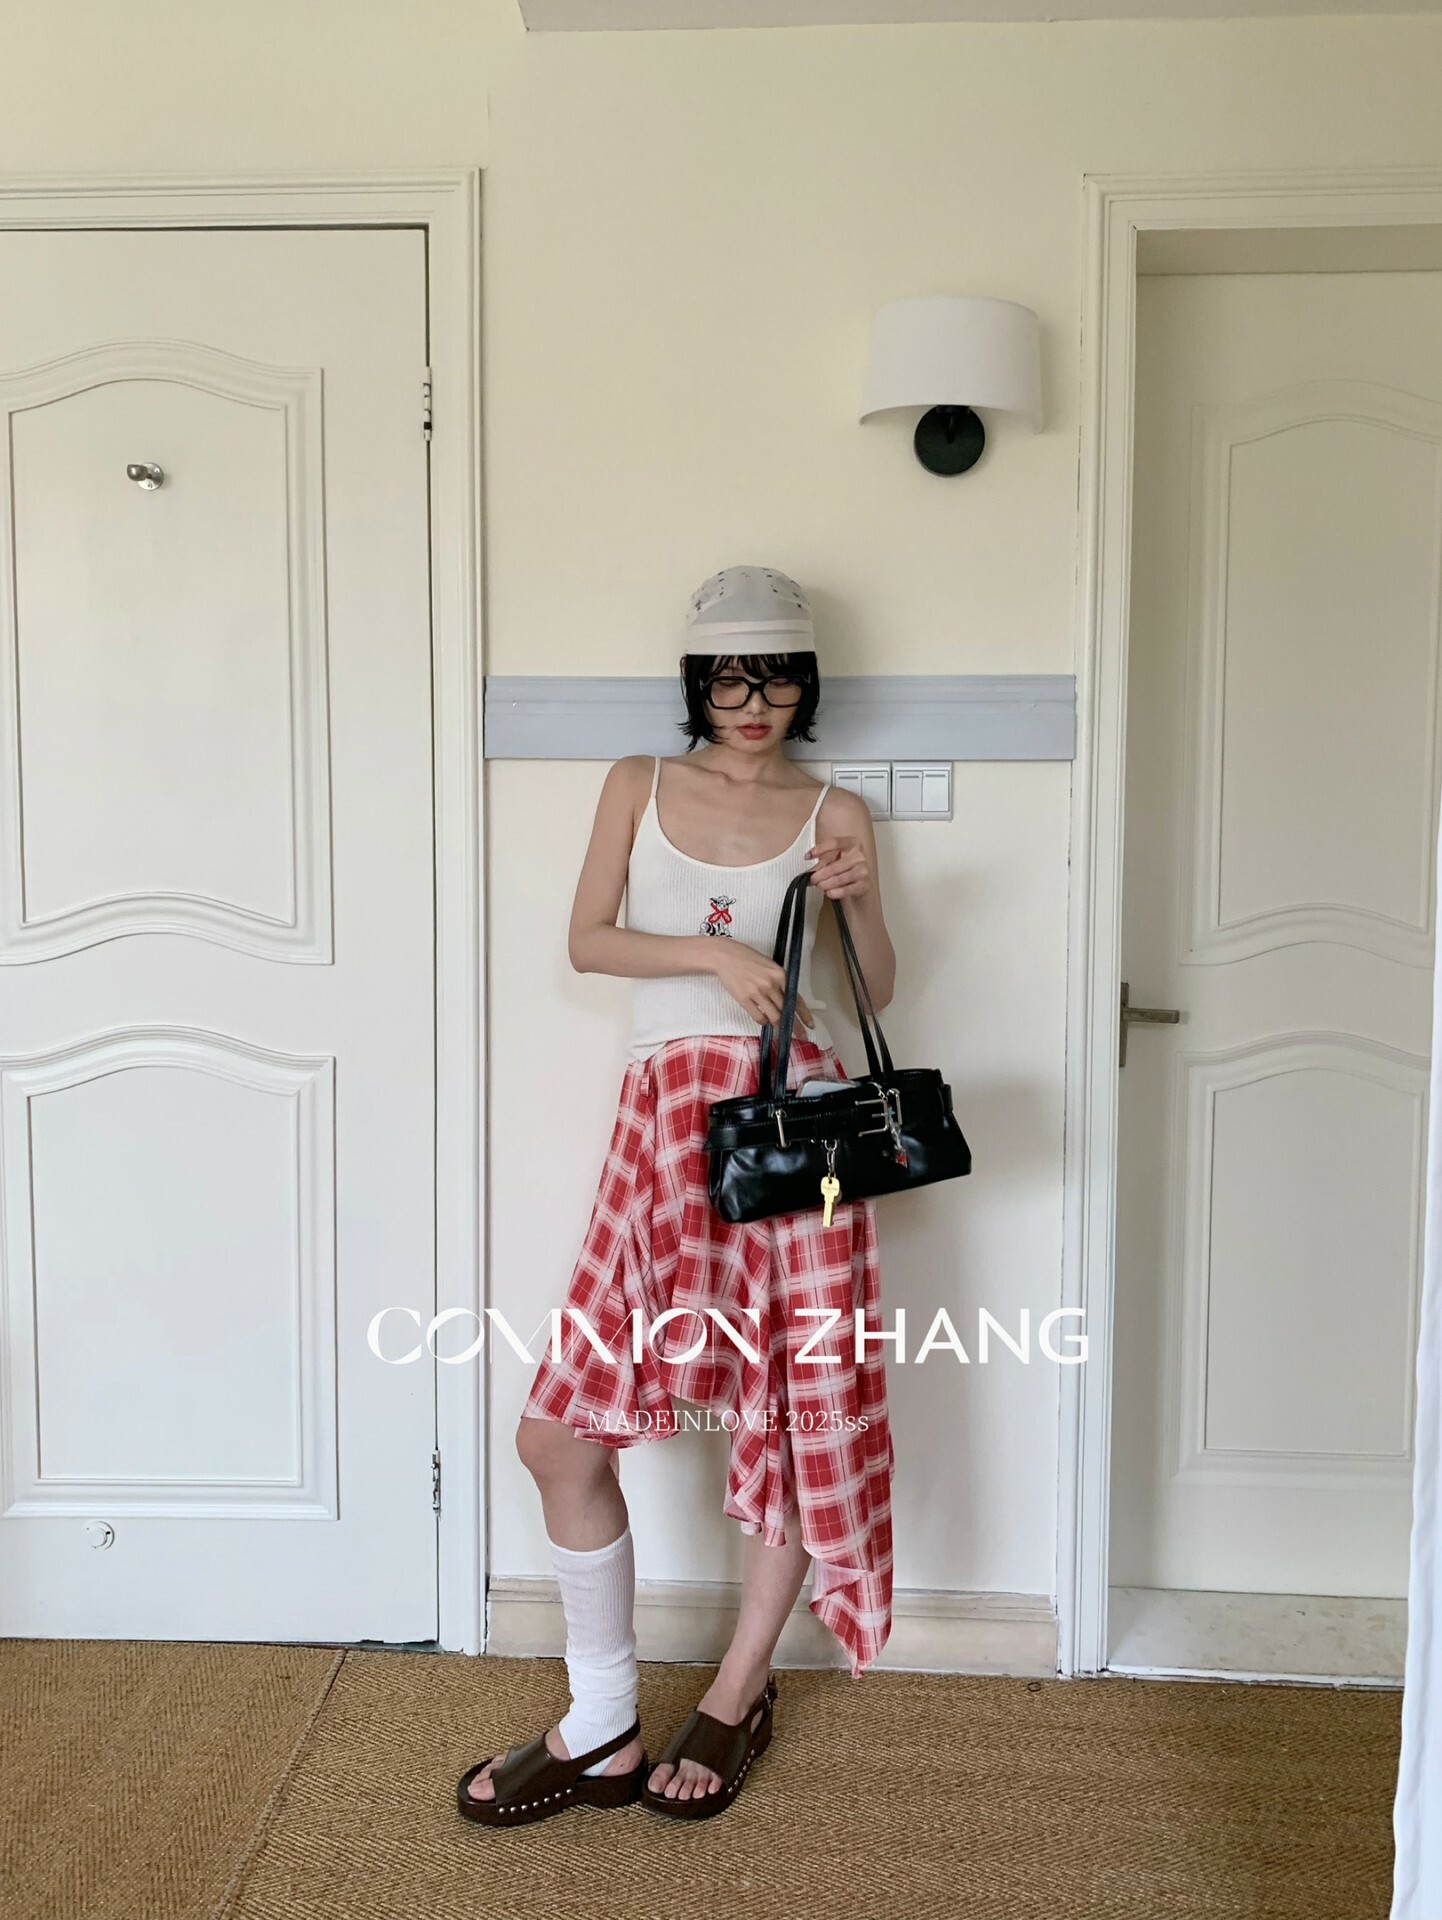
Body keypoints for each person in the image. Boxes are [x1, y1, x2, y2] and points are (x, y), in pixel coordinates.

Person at [457, 566, 898, 1828]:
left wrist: (856, 901)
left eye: (777, 681)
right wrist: (711, 950)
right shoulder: (636, 784)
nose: (753, 705)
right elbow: (587, 939)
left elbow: (872, 987)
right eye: (729, 681)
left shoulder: (834, 808)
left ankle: (736, 1690)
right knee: (558, 1434)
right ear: (697, 684)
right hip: (660, 1130)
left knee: (798, 1415)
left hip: (794, 1133)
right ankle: (600, 1718)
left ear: (806, 687)